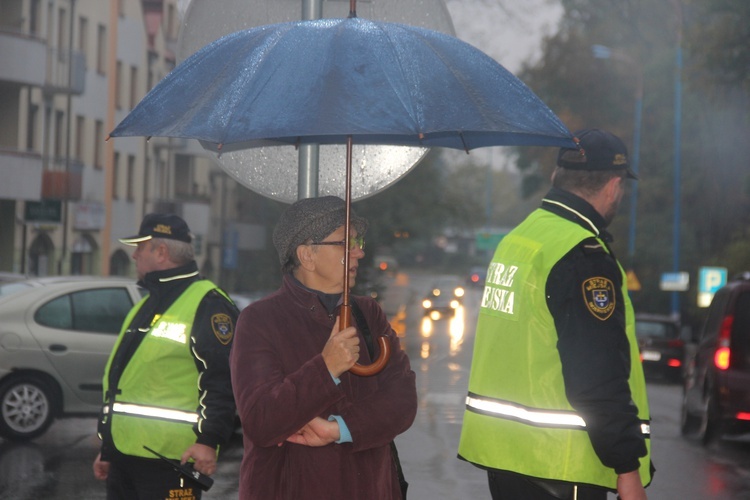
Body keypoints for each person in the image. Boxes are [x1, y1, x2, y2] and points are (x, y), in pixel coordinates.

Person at [458, 129, 653, 500]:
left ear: (555, 178)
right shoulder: (582, 255)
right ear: (614, 186)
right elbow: (596, 376)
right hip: (561, 466)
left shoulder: (519, 239)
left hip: (507, 459)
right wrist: (627, 467)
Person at [230, 196, 417, 499]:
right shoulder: (260, 320)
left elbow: (402, 402)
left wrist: (340, 428)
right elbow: (261, 420)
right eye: (346, 243)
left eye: (358, 242)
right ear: (307, 255)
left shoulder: (368, 314)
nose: (358, 252)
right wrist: (326, 368)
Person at [92, 213, 238, 500]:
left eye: (140, 247)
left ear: (161, 252)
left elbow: (223, 381)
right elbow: (123, 385)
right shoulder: (147, 304)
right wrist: (108, 449)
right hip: (126, 459)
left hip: (172, 461)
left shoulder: (208, 303)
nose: (133, 255)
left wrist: (208, 441)